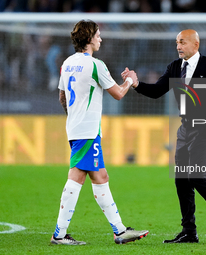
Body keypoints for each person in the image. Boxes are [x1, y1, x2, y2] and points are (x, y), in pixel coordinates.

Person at [122, 29, 206, 245]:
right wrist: (136, 84)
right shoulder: (175, 67)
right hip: (185, 128)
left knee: (195, 176)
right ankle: (189, 231)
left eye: (183, 42)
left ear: (196, 44)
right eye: (177, 42)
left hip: (205, 126)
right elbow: (157, 90)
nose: (178, 46)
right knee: (182, 179)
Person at [51, 19, 149, 245]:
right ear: (89, 38)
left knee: (100, 176)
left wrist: (75, 116)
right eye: (97, 35)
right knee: (77, 176)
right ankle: (60, 234)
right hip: (87, 130)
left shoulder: (67, 63)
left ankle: (120, 231)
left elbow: (62, 97)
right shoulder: (96, 65)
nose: (100, 38)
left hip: (75, 128)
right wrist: (130, 81)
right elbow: (118, 94)